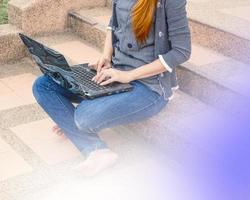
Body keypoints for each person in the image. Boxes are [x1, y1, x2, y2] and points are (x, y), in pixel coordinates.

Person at [32, 0, 191, 176]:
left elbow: (181, 51)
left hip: (148, 86)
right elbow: (113, 24)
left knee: (83, 117)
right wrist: (106, 57)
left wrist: (129, 76)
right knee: (44, 85)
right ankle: (97, 150)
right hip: (115, 73)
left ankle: (90, 143)